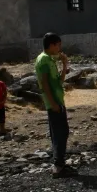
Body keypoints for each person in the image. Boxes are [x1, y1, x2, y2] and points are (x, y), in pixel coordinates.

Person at [35, 32, 75, 177]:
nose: (60, 48)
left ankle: (60, 162)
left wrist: (64, 64)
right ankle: (58, 166)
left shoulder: (50, 59)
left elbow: (59, 81)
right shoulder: (44, 60)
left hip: (58, 100)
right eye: (58, 45)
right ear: (52, 45)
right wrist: (53, 103)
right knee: (59, 133)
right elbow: (44, 83)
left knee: (61, 132)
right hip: (54, 102)